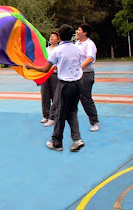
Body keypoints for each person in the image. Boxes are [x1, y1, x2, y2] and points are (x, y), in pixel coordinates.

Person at [24, 24, 85, 152]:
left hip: (65, 84)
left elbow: (46, 69)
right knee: (72, 111)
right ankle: (77, 139)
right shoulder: (76, 48)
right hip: (78, 83)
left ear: (60, 36)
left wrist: (31, 67)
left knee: (60, 113)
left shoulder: (57, 51)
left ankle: (56, 142)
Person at [76, 23, 100, 132]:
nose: (77, 31)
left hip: (86, 74)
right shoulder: (76, 44)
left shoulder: (90, 44)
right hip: (75, 74)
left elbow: (90, 58)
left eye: (79, 30)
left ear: (85, 33)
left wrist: (79, 69)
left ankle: (94, 122)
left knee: (85, 98)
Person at [40, 31, 59, 126]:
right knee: (45, 94)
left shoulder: (59, 49)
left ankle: (54, 116)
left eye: (54, 37)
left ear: (58, 39)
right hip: (45, 74)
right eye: (50, 36)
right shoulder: (45, 50)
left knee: (55, 95)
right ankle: (46, 115)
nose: (51, 38)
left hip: (55, 74)